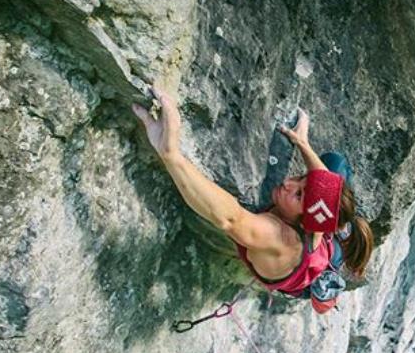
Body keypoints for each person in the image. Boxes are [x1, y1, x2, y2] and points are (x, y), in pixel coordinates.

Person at [132, 86, 373, 307]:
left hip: (307, 270)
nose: (288, 183)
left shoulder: (279, 238)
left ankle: (325, 296)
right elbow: (322, 179)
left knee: (333, 175)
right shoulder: (313, 221)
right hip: (322, 247)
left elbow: (230, 219)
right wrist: (302, 143)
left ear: (307, 221)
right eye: (299, 178)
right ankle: (342, 224)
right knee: (335, 164)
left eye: (298, 194)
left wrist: (171, 155)